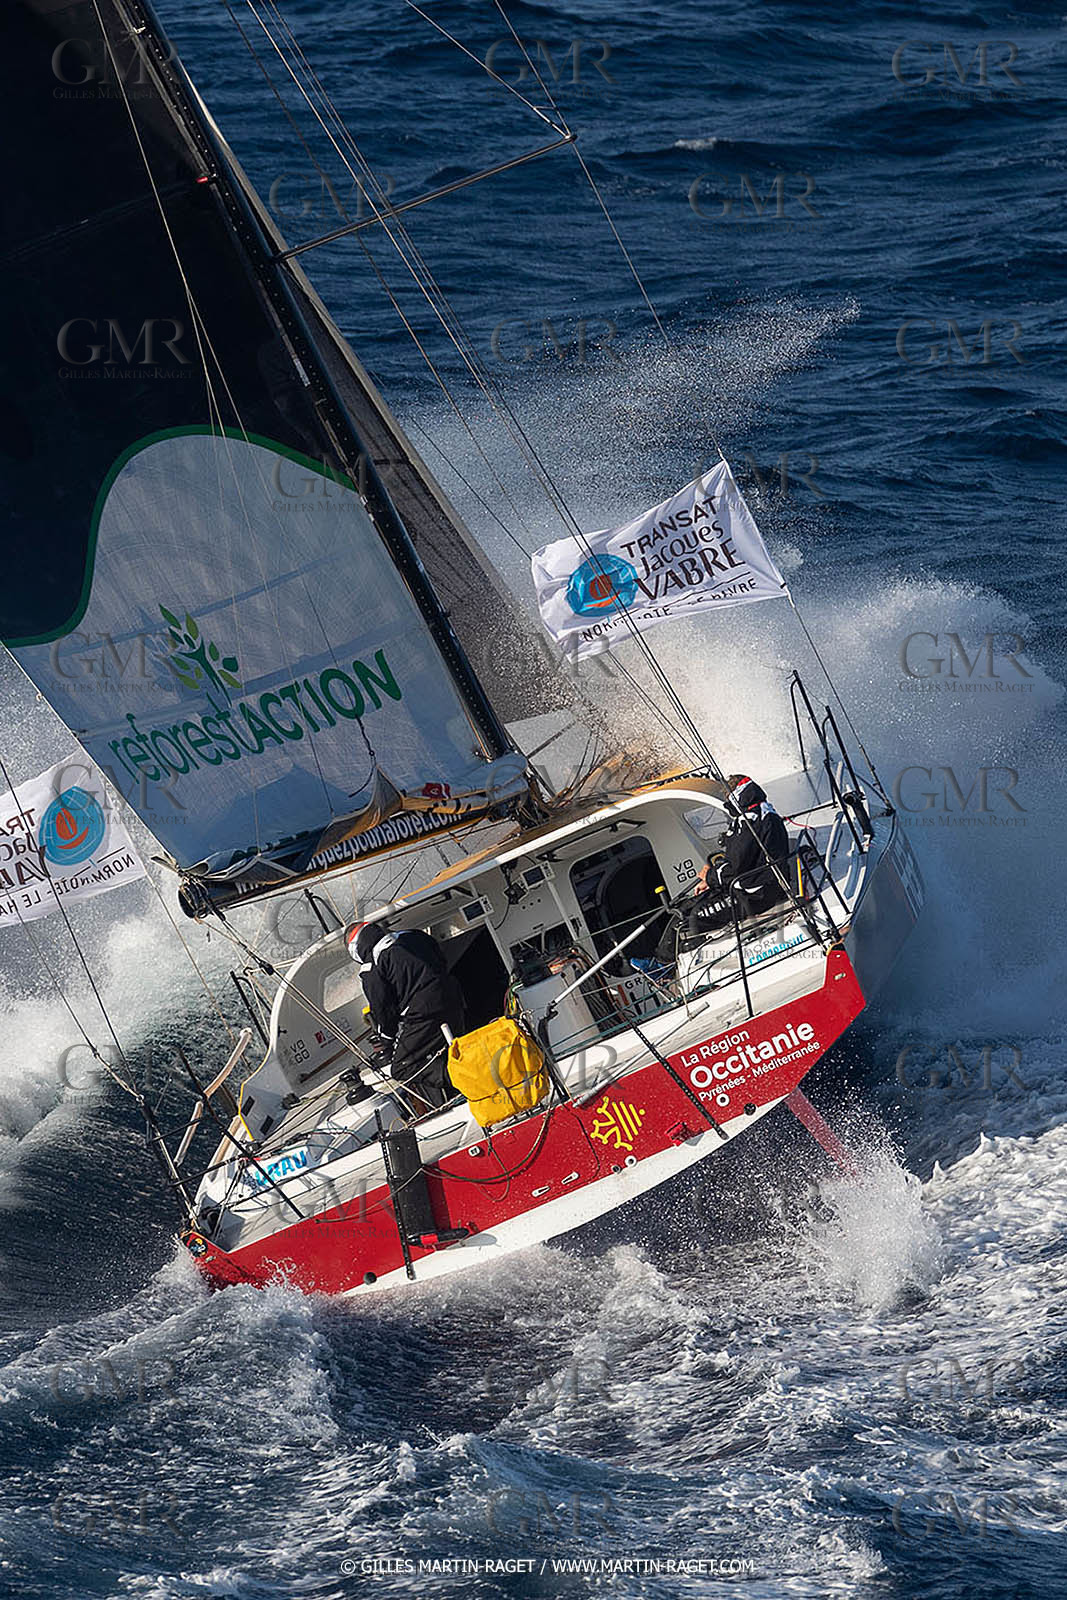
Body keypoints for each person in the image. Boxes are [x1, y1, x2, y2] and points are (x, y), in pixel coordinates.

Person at [649, 775, 790, 965]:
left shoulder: (751, 821)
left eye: (727, 797)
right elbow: (740, 859)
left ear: (736, 797)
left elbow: (735, 868)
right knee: (684, 907)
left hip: (756, 894)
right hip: (749, 886)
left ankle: (662, 967)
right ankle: (660, 961)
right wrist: (711, 876)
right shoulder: (761, 814)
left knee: (687, 920)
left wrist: (709, 876)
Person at [348, 921, 466, 1112]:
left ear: (355, 949)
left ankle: (462, 1077)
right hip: (453, 996)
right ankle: (470, 1085)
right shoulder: (412, 934)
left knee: (402, 1068)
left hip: (423, 1012)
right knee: (456, 1048)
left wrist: (386, 1037)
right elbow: (441, 959)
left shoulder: (371, 964)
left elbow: (383, 1008)